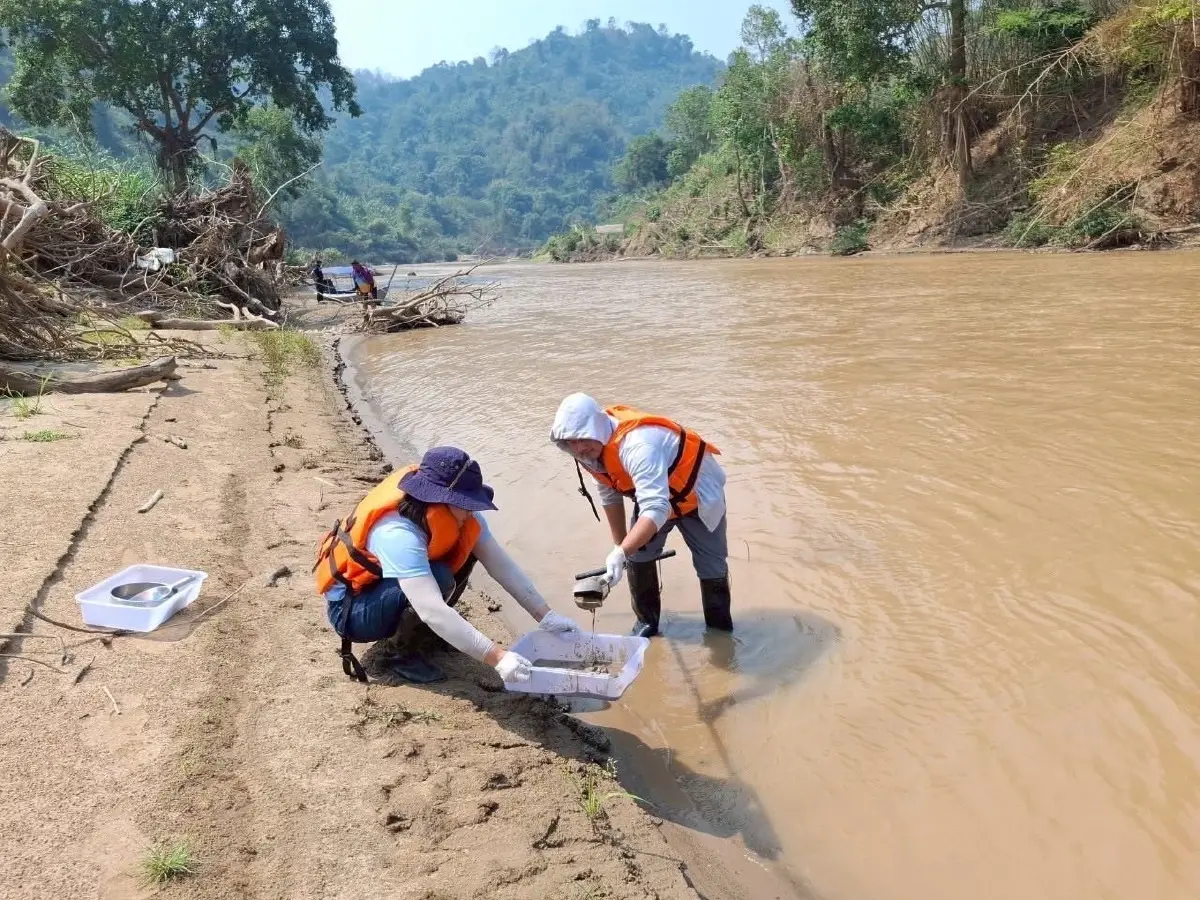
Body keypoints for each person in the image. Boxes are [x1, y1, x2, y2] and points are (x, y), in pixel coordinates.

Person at [315, 446, 580, 684]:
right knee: (440, 577)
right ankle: (400, 655)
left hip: (384, 589)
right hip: (353, 612)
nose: (470, 510)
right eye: (465, 503)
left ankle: (428, 636)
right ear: (439, 499)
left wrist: (546, 616)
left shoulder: (458, 517)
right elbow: (432, 610)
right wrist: (498, 658)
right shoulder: (397, 533)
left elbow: (502, 567)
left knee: (467, 551)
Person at [550, 394, 732, 638]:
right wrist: (620, 547)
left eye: (583, 437)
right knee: (637, 556)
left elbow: (656, 508)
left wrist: (622, 551)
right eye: (572, 441)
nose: (580, 447)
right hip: (654, 498)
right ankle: (647, 623)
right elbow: (609, 493)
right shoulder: (589, 453)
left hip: (698, 496)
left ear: (597, 428)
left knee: (712, 566)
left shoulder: (638, 446)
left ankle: (719, 633)